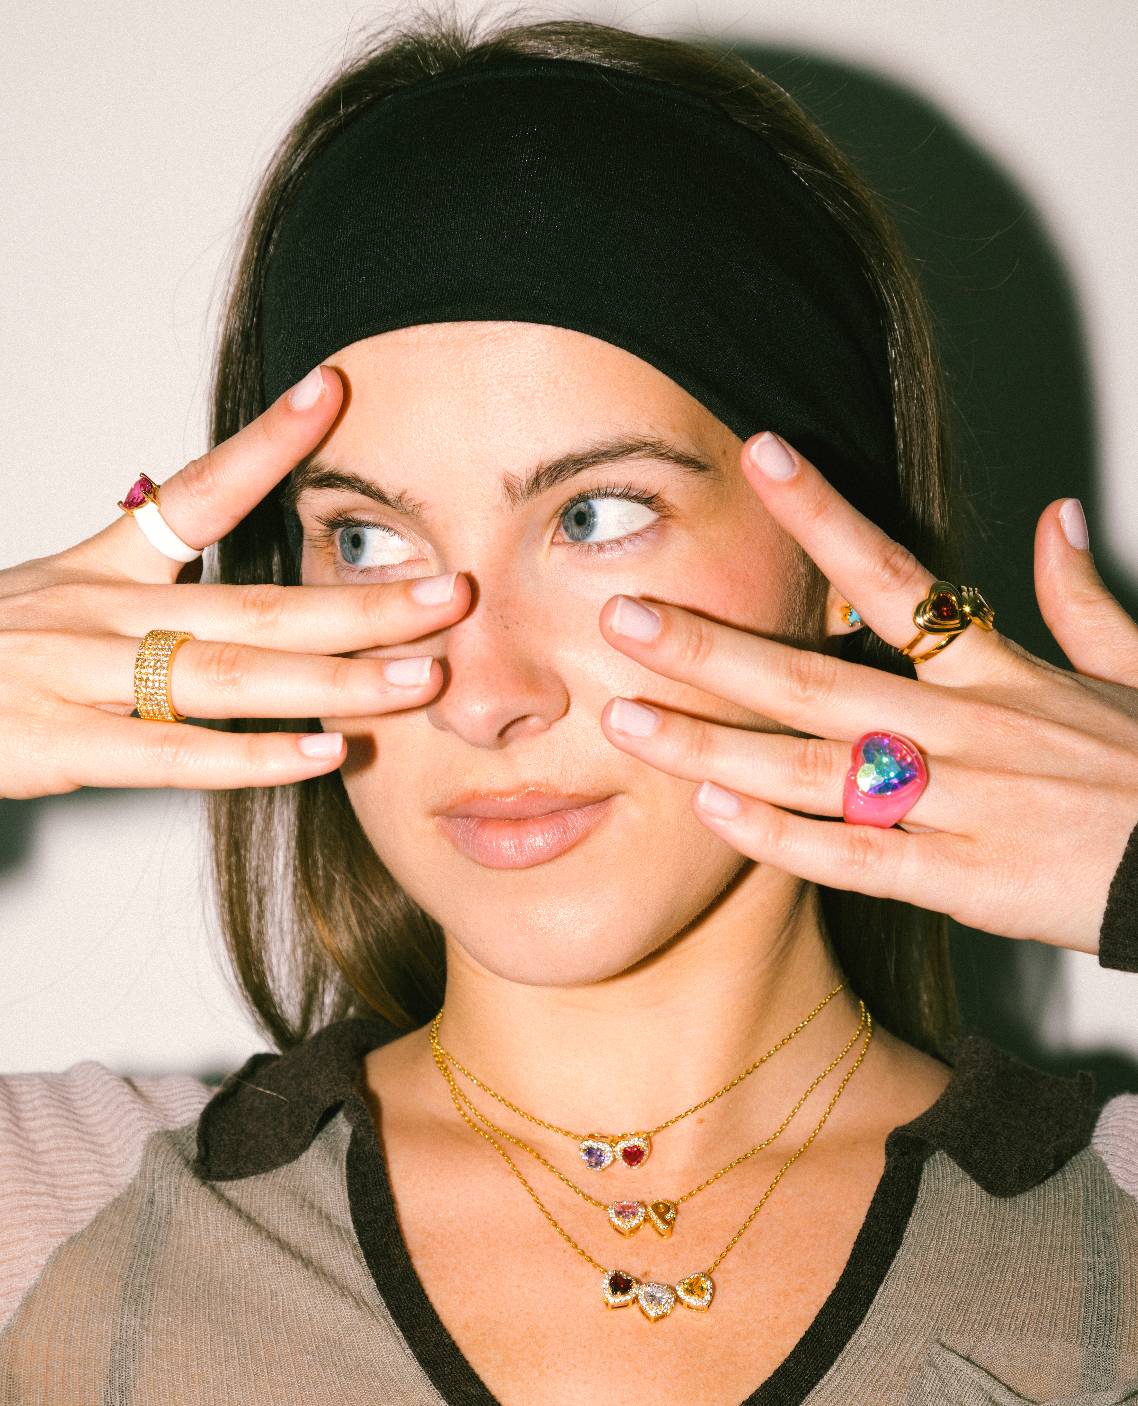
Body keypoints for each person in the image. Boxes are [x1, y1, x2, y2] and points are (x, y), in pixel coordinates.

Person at [1, 17, 1137, 1404]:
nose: (485, 693)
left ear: (842, 557)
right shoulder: (60, 1221)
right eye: (367, 540)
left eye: (596, 516)